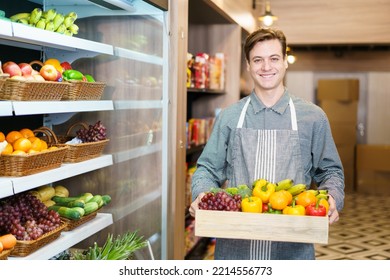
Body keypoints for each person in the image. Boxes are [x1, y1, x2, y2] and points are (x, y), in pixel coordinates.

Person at [189, 27, 345, 260]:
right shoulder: (230, 117)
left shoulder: (312, 117)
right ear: (248, 65)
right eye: (258, 60)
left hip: (292, 249)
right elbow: (207, 169)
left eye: (274, 58)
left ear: (284, 62)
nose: (266, 67)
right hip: (235, 250)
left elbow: (330, 171)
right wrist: (201, 193)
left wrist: (332, 197)